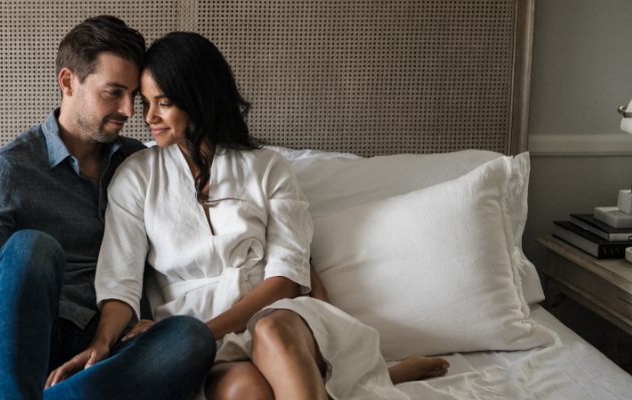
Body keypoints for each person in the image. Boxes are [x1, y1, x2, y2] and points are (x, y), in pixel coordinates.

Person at [89, 32, 450, 400]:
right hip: (193, 330)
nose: (148, 116)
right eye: (145, 102)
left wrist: (204, 331)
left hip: (275, 314)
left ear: (198, 97)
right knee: (248, 390)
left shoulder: (267, 168)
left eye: (162, 102)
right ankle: (369, 381)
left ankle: (363, 376)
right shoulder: (136, 176)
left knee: (272, 331)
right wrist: (106, 344)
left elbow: (286, 278)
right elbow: (121, 281)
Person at [0, 18, 216, 400]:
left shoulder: (142, 163)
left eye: (135, 95)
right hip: (26, 342)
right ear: (68, 82)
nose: (130, 110)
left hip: (108, 346)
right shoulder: (12, 167)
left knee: (192, 336)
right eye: (113, 92)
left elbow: (199, 235)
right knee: (33, 247)